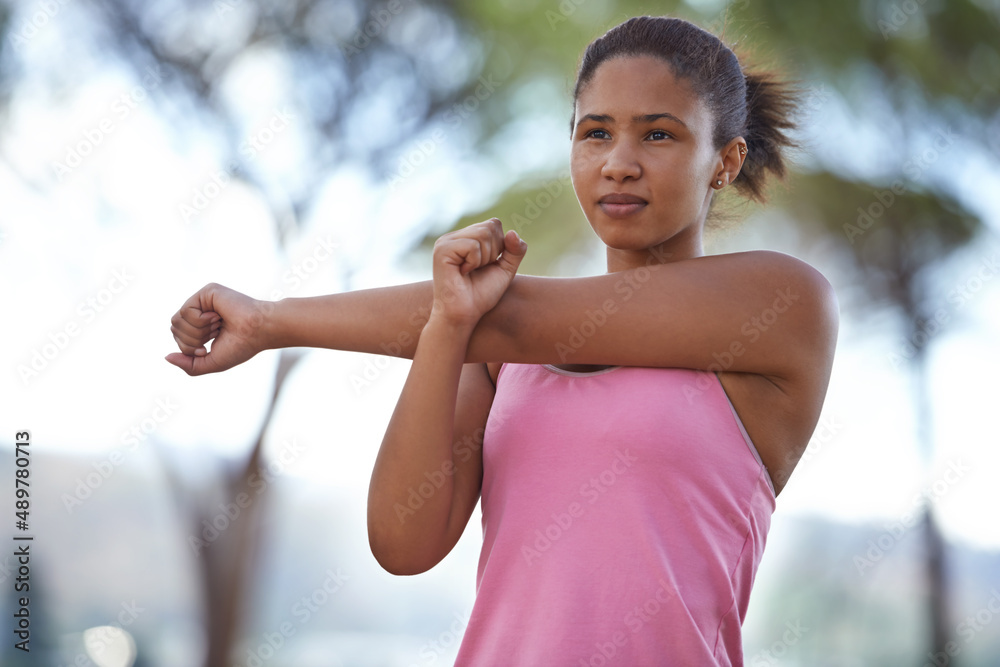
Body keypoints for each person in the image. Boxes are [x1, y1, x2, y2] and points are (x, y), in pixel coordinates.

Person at [167, 15, 838, 665]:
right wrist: (448, 329)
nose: (619, 164)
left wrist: (271, 319)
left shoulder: (781, 305)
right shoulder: (491, 335)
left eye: (658, 136)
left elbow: (535, 318)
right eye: (595, 133)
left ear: (725, 161)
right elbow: (404, 542)